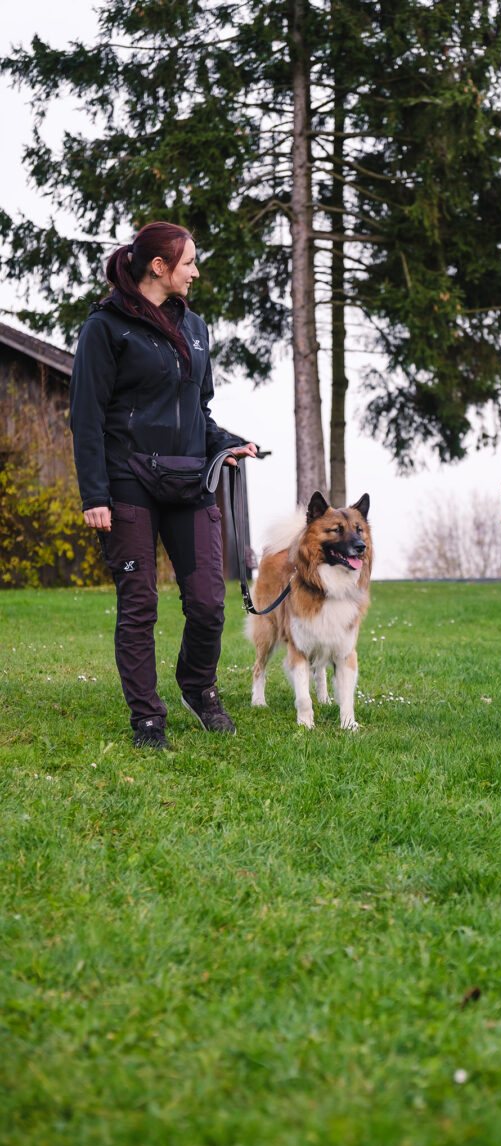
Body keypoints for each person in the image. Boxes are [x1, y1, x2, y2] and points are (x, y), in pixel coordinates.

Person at [69, 221, 258, 750]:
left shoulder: (195, 328)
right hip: (128, 482)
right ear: (159, 267)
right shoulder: (106, 328)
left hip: (189, 479)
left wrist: (228, 443)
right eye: (189, 262)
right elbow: (86, 417)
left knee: (209, 602)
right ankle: (148, 719)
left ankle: (197, 688)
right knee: (139, 605)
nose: (195, 272)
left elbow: (199, 411)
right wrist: (95, 495)